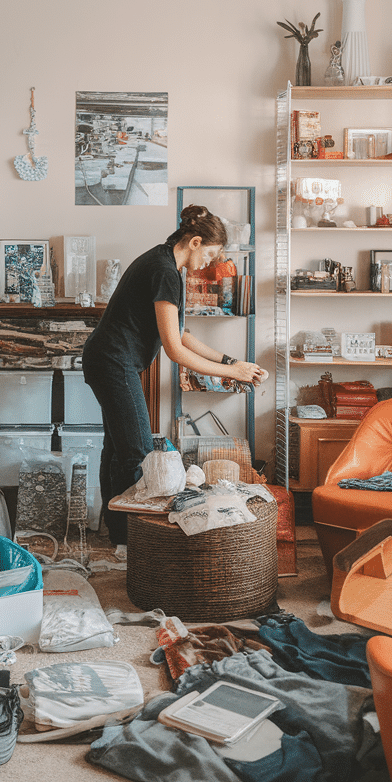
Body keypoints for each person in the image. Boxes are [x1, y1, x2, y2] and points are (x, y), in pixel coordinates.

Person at [82, 204, 268, 543]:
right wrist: (232, 372)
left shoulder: (165, 263)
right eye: (212, 253)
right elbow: (174, 350)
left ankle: (115, 535)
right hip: (113, 362)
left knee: (118, 448)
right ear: (195, 241)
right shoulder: (164, 271)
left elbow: (181, 334)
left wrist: (230, 361)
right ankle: (128, 541)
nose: (212, 262)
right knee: (136, 451)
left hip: (109, 360)